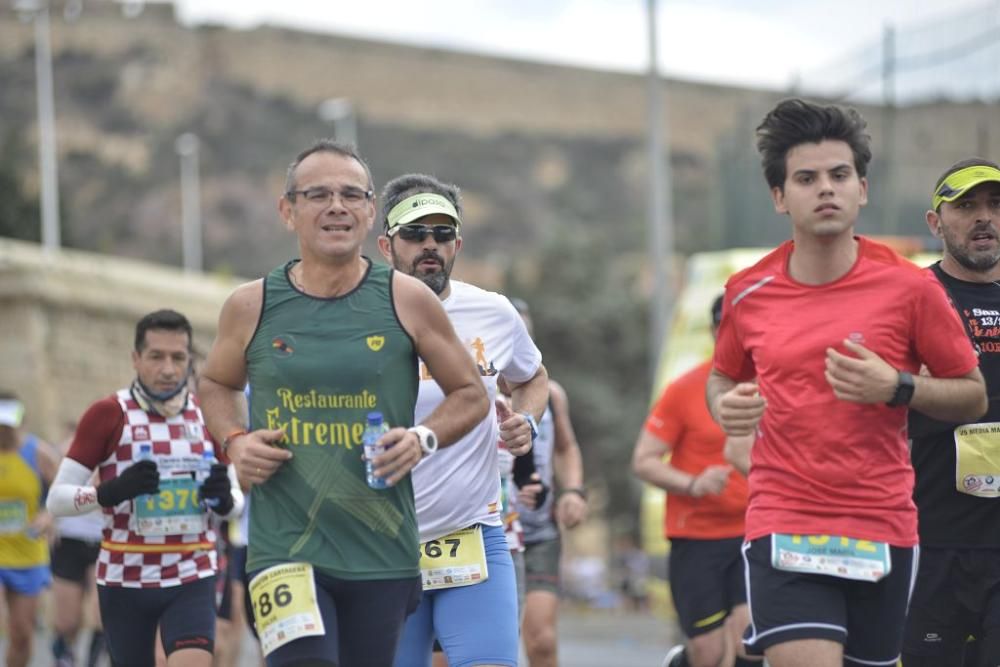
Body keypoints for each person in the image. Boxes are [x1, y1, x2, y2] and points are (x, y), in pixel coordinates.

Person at [706, 98, 988, 667]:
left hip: (882, 522)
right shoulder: (747, 291)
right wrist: (726, 407)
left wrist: (899, 387)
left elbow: (972, 394)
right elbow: (722, 378)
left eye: (839, 175)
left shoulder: (910, 289)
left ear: (863, 188)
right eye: (806, 179)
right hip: (784, 517)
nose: (825, 189)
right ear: (780, 197)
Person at [197, 140, 490, 667]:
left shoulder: (407, 299)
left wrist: (423, 438)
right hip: (284, 549)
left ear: (370, 211)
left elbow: (472, 394)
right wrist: (235, 442)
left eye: (352, 194)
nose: (337, 205)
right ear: (288, 211)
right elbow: (215, 386)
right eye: (319, 194)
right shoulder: (250, 305)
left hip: (381, 551)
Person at [375, 172, 548, 667]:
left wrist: (527, 422)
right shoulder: (360, 314)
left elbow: (533, 378)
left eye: (442, 233)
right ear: (387, 244)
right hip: (383, 544)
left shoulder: (493, 312)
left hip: (473, 533)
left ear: (458, 244)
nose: (429, 245)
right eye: (414, 233)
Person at [46, 309, 245, 667]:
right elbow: (57, 500)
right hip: (125, 578)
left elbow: (236, 506)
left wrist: (223, 498)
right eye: (156, 357)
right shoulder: (109, 413)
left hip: (192, 573)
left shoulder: (208, 415)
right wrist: (109, 492)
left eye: (178, 358)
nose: (168, 369)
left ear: (189, 361)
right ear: (136, 359)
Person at [901, 158, 1000, 667]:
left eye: (995, 204)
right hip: (929, 541)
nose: (984, 217)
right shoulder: (912, 299)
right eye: (966, 206)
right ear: (935, 223)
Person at [632, 295, 757, 667]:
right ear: (714, 331)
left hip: (753, 532)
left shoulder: (770, 383)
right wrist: (693, 483)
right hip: (697, 538)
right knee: (709, 651)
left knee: (750, 640)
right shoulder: (686, 388)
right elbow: (643, 461)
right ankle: (682, 660)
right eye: (726, 329)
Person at [507, 298, 588, 667]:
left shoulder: (551, 394)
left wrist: (572, 491)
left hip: (539, 532)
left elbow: (567, 449)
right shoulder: (470, 388)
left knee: (540, 639)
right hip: (489, 532)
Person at [0, 393, 58, 667]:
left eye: (7, 424)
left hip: (27, 553)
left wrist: (48, 516)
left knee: (21, 635)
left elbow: (62, 494)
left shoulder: (38, 453)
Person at [49, 419, 108, 667]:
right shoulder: (62, 454)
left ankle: (91, 662)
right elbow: (50, 493)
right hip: (69, 541)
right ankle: (64, 657)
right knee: (67, 621)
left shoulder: (108, 455)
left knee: (99, 614)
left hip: (99, 542)